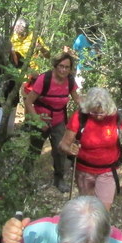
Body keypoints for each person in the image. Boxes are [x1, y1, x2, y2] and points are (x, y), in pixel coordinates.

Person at [59, 88, 122, 212]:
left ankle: (101, 230)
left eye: (102, 112)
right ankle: (88, 231)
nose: (99, 116)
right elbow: (63, 145)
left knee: (103, 212)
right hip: (84, 171)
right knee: (87, 210)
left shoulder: (115, 116)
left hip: (108, 171)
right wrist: (69, 149)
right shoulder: (80, 117)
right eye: (94, 112)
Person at [26, 53, 81, 190]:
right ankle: (25, 177)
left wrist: (92, 108)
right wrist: (38, 121)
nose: (63, 70)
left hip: (59, 119)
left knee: (60, 149)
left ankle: (59, 179)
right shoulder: (44, 79)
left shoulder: (69, 81)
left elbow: (77, 99)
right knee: (34, 149)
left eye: (67, 67)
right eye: (61, 66)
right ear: (55, 66)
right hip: (41, 118)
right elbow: (28, 101)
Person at [10, 17, 49, 85]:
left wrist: (41, 48)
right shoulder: (11, 38)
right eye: (17, 27)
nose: (18, 29)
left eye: (21, 27)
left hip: (32, 74)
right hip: (15, 74)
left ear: (26, 28)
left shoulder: (34, 37)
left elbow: (48, 55)